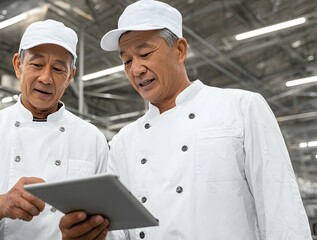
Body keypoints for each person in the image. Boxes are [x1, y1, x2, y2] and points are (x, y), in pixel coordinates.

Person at [59, 0, 312, 239]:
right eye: (126, 60)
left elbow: (282, 211)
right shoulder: (124, 141)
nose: (136, 69)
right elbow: (117, 231)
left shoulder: (242, 108)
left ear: (180, 50)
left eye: (145, 54)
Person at [0, 19, 109, 240]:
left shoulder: (91, 139)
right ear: (18, 65)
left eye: (58, 69)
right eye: (36, 64)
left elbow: (109, 222)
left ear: (70, 76)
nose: (46, 78)